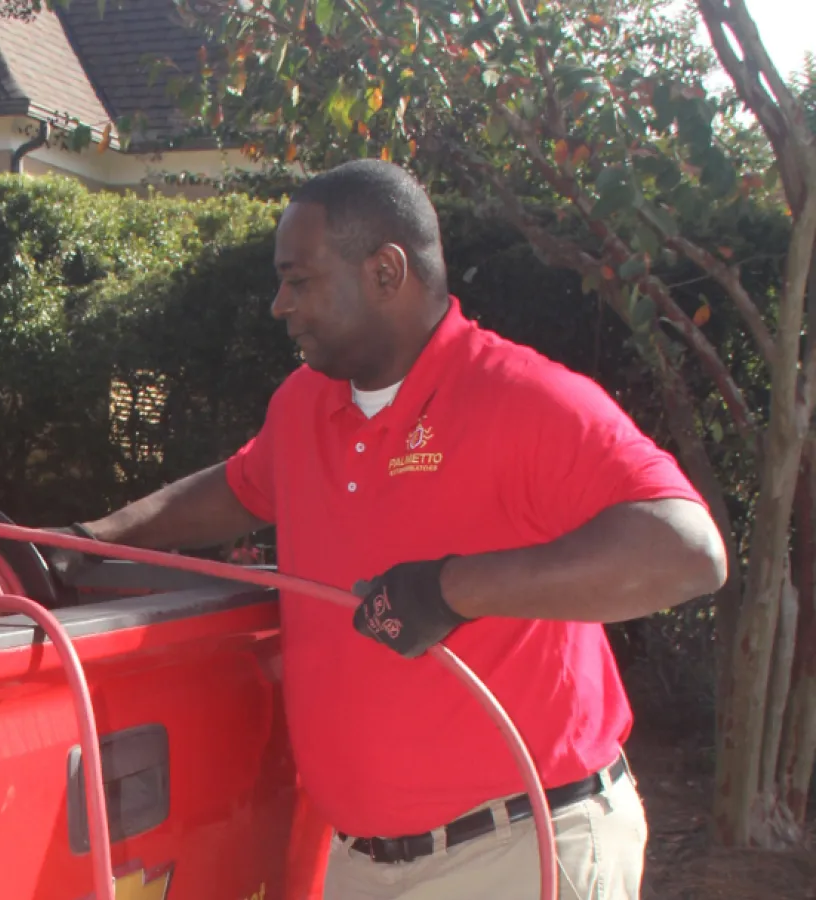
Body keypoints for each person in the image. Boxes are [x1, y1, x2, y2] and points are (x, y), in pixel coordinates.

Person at [55, 159, 727, 899]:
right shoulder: (307, 404)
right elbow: (241, 490)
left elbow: (688, 550)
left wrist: (454, 589)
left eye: (299, 279)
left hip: (519, 850)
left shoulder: (521, 399)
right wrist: (93, 539)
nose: (279, 304)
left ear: (385, 271)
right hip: (362, 863)